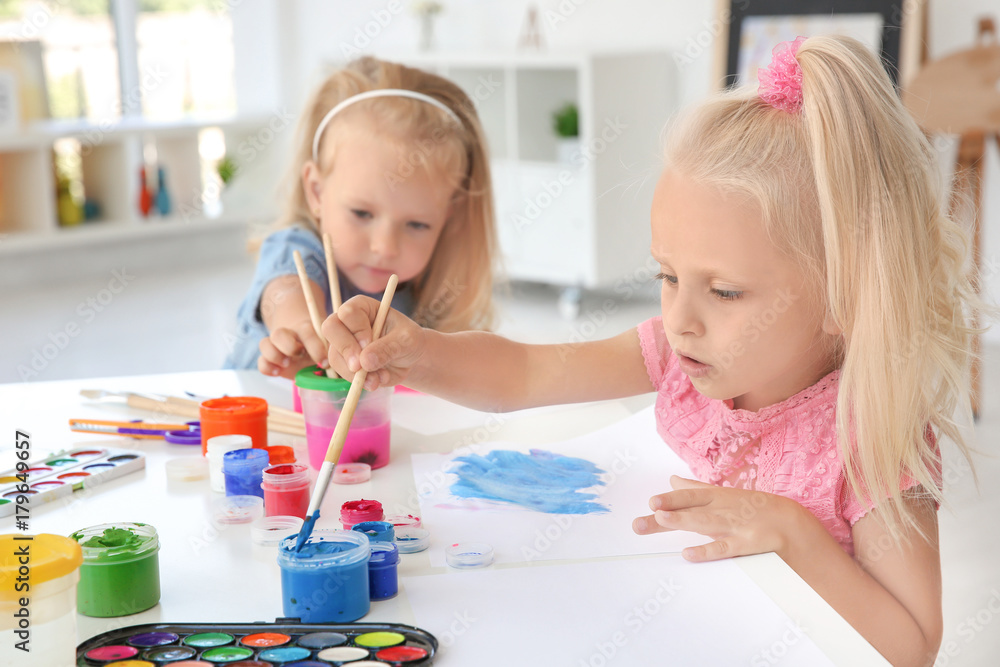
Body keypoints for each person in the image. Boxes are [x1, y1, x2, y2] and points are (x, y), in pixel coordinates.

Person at [321, 36, 983, 666]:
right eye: (667, 276)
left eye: (724, 291)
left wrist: (794, 532)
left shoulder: (870, 434)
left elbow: (911, 644)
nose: (680, 318)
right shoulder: (681, 358)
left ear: (847, 295)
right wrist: (419, 353)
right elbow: (526, 372)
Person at [224, 56, 497, 377]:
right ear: (316, 192)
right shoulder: (296, 248)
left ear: (448, 217)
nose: (385, 247)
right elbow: (287, 291)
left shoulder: (423, 294)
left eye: (417, 225)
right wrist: (301, 335)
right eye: (362, 213)